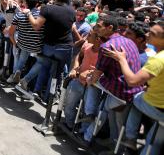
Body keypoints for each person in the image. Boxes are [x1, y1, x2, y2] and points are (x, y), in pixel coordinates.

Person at [103, 20, 164, 154]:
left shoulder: (157, 59)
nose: (148, 34)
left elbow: (131, 81)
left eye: (153, 34)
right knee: (153, 144)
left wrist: (122, 59)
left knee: (135, 97)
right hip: (157, 104)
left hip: (157, 107)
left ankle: (130, 139)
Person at [83, 14, 143, 144]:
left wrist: (90, 79)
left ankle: (89, 113)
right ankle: (90, 130)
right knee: (109, 115)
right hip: (133, 89)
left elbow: (96, 76)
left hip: (121, 90)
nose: (95, 28)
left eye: (99, 26)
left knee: (91, 79)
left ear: (110, 27)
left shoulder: (107, 46)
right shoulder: (129, 41)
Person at [22, 0, 76, 100]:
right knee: (56, 73)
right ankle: (49, 97)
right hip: (65, 47)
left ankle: (36, 91)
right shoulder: (72, 10)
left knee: (44, 67)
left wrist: (28, 14)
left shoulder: (47, 8)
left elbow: (36, 25)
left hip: (49, 46)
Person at [63, 27, 102, 130]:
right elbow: (78, 57)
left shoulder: (104, 54)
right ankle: (69, 125)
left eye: (89, 35)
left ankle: (82, 132)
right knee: (68, 105)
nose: (86, 37)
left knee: (87, 111)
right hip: (78, 81)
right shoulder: (86, 45)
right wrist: (75, 69)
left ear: (98, 39)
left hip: (92, 86)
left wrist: (90, 72)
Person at [6, 0, 44, 84]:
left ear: (25, 3)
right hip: (36, 46)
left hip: (23, 44)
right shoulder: (42, 15)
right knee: (42, 62)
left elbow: (10, 33)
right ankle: (26, 79)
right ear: (37, 3)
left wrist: (15, 44)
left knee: (23, 57)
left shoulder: (18, 15)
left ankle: (16, 72)